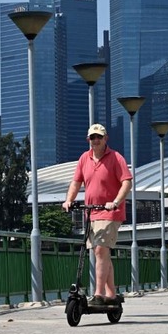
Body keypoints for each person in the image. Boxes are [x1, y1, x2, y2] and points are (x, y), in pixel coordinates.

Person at [62, 124, 131, 305]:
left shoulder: (116, 158)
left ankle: (98, 294)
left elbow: (126, 183)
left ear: (105, 138)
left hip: (110, 212)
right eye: (92, 137)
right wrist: (69, 200)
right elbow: (76, 182)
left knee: (100, 250)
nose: (96, 140)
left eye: (99, 137)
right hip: (91, 213)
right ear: (88, 140)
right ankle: (111, 293)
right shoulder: (84, 158)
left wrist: (115, 202)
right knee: (102, 253)